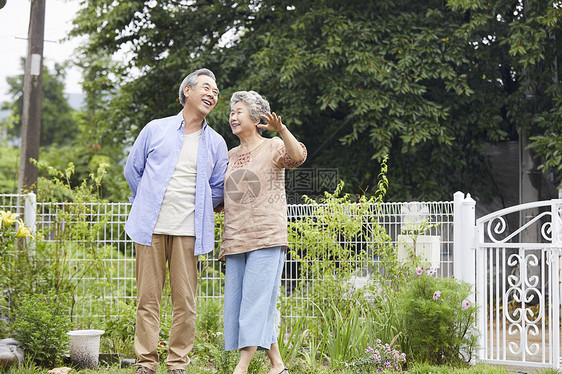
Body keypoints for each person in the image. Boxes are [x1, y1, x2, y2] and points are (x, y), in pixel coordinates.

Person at [124, 68, 228, 374]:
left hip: (189, 232)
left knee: (185, 304)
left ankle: (177, 364)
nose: (212, 94)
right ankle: (146, 363)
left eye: (216, 92)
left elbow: (218, 187)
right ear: (187, 91)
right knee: (148, 301)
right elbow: (133, 170)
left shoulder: (217, 143)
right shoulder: (155, 129)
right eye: (207, 88)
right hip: (150, 228)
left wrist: (200, 208)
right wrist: (143, 201)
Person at [219, 91, 307, 374]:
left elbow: (297, 157)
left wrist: (281, 129)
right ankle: (278, 365)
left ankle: (241, 366)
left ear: (257, 119)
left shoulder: (272, 146)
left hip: (267, 236)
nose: (233, 116)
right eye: (231, 112)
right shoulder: (230, 155)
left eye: (239, 111)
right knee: (246, 303)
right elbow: (221, 198)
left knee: (255, 302)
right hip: (235, 238)